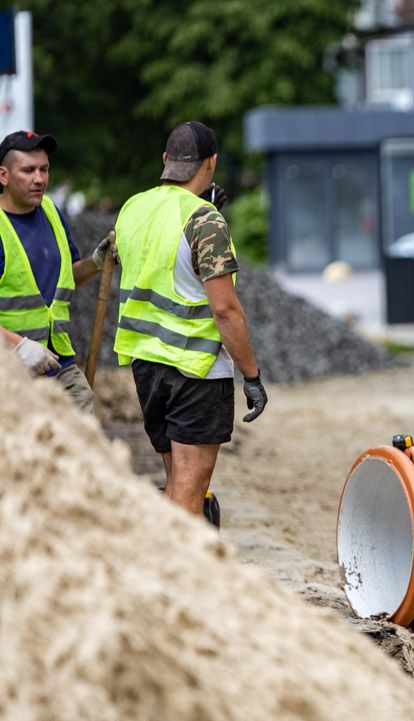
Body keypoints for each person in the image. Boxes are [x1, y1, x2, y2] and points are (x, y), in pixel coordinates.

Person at [113, 121, 267, 517]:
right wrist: (251, 376)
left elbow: (126, 255)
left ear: (166, 159)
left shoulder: (133, 208)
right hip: (195, 370)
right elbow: (225, 310)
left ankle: (170, 550)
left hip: (147, 366)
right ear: (211, 162)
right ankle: (179, 556)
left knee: (175, 482)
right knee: (188, 491)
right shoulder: (205, 220)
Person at [0, 130, 113, 413]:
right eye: (28, 170)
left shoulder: (51, 210)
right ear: (3, 176)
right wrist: (19, 347)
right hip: (9, 372)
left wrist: (95, 262)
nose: (39, 179)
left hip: (59, 364)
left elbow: (67, 278)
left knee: (82, 431)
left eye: (44, 169)